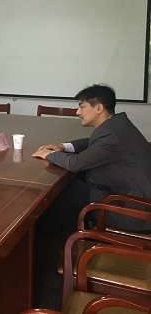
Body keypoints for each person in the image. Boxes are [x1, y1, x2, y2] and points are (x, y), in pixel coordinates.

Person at [32, 84, 151, 234]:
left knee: (70, 190)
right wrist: (63, 147)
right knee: (75, 185)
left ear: (99, 108)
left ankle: (62, 237)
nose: (77, 112)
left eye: (82, 107)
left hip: (135, 212)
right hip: (133, 197)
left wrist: (47, 154)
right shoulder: (116, 125)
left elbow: (75, 163)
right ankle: (57, 231)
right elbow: (92, 142)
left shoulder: (111, 135)